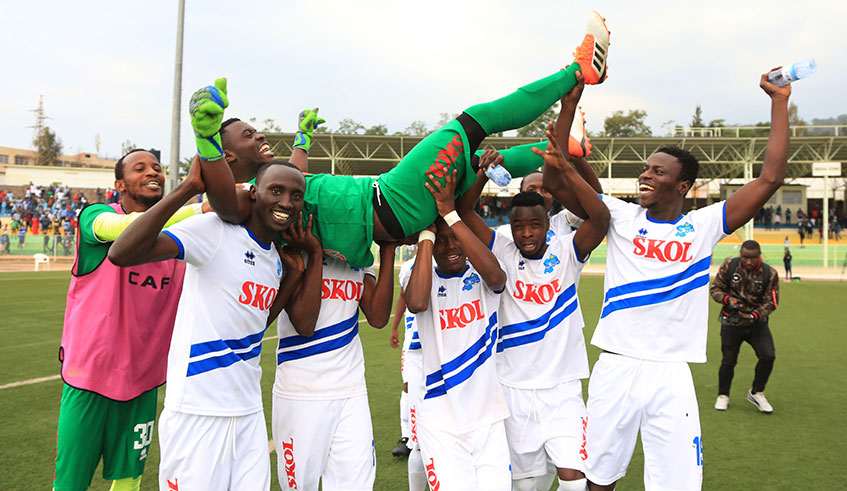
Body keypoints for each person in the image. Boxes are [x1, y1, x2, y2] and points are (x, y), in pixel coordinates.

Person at [192, 11, 611, 267]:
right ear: (227, 156)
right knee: (474, 122)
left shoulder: (276, 189)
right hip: (391, 200)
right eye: (248, 135)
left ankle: (565, 148)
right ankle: (578, 72)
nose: (260, 134)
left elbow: (296, 175)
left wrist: (302, 137)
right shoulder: (246, 199)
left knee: (479, 160)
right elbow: (226, 201)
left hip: (394, 207)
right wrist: (204, 138)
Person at [582, 70, 792, 491]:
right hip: (616, 364)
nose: (645, 174)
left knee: (677, 482)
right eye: (645, 168)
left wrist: (779, 102)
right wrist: (570, 144)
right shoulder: (620, 216)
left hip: (672, 373)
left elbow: (770, 179)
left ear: (682, 185)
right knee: (599, 477)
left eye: (657, 171)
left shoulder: (704, 225)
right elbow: (566, 182)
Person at [108, 158, 318, 491]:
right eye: (276, 190)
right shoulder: (215, 232)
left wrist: (293, 277)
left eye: (296, 195)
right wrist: (187, 188)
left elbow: (253, 325)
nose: (286, 202)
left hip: (247, 412)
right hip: (197, 412)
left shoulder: (276, 258)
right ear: (254, 194)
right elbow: (122, 253)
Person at [459, 78, 610, 491]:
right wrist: (481, 173)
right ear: (510, 225)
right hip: (511, 384)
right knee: (525, 484)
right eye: (519, 225)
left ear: (549, 222)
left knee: (575, 479)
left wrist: (569, 159)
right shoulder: (502, 247)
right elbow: (464, 211)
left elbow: (601, 216)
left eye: (535, 225)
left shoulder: (567, 247)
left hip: (561, 387)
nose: (526, 233)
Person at [53, 150, 202, 491]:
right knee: (70, 483)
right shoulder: (95, 217)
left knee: (128, 481)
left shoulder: (179, 239)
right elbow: (121, 228)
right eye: (140, 168)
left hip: (142, 379)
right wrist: (194, 200)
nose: (153, 172)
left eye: (156, 167)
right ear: (119, 184)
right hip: (89, 377)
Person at [404, 168, 510, 490]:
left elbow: (498, 278)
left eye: (456, 239)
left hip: (487, 415)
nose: (451, 247)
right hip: (439, 416)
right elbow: (418, 303)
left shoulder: (481, 275)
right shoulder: (420, 275)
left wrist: (450, 216)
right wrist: (427, 234)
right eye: (442, 241)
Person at [270, 238, 397, 491]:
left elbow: (378, 316)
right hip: (300, 393)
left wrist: (388, 248)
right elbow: (305, 325)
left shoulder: (356, 256)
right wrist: (315, 253)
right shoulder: (295, 251)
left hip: (350, 390)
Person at [711, 240, 780, 413]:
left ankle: (757, 392)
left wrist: (754, 315)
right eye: (745, 257)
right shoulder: (730, 266)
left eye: (753, 258)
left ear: (760, 256)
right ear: (740, 255)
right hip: (731, 322)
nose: (749, 261)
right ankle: (723, 395)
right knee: (728, 361)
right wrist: (728, 300)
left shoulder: (769, 274)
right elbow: (715, 289)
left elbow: (772, 302)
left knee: (768, 355)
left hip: (756, 324)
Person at [391, 258, 429, 490]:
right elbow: (404, 297)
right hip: (414, 344)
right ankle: (407, 436)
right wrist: (395, 325)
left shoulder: (454, 258)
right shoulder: (409, 267)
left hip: (441, 346)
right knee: (408, 387)